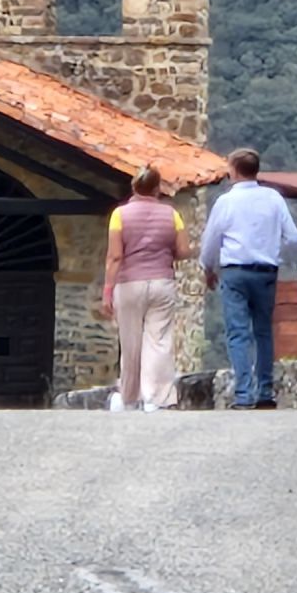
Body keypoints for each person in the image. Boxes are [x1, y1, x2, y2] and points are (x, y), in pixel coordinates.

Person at [199, 148, 297, 410]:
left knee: (238, 333)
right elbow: (294, 238)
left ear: (233, 170)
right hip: (266, 272)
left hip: (234, 272)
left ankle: (244, 394)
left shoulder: (226, 202)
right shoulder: (273, 198)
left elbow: (211, 240)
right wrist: (296, 260)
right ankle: (265, 392)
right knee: (263, 332)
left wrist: (208, 268)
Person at [101, 165, 191, 411]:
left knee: (130, 342)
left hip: (129, 283)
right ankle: (156, 397)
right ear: (157, 188)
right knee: (159, 340)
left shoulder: (120, 215)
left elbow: (115, 256)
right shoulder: (172, 214)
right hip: (162, 282)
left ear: (134, 187)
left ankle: (129, 396)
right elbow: (183, 250)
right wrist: (163, 252)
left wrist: (108, 290)